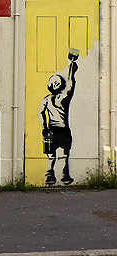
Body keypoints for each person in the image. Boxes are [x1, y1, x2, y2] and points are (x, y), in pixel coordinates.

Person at [39, 50, 78, 185]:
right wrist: (71, 72)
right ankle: (64, 175)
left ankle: (49, 175)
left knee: (51, 156)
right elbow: (70, 85)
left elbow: (41, 113)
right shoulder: (63, 98)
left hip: (51, 129)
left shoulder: (46, 99)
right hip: (63, 129)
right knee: (65, 154)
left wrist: (44, 127)